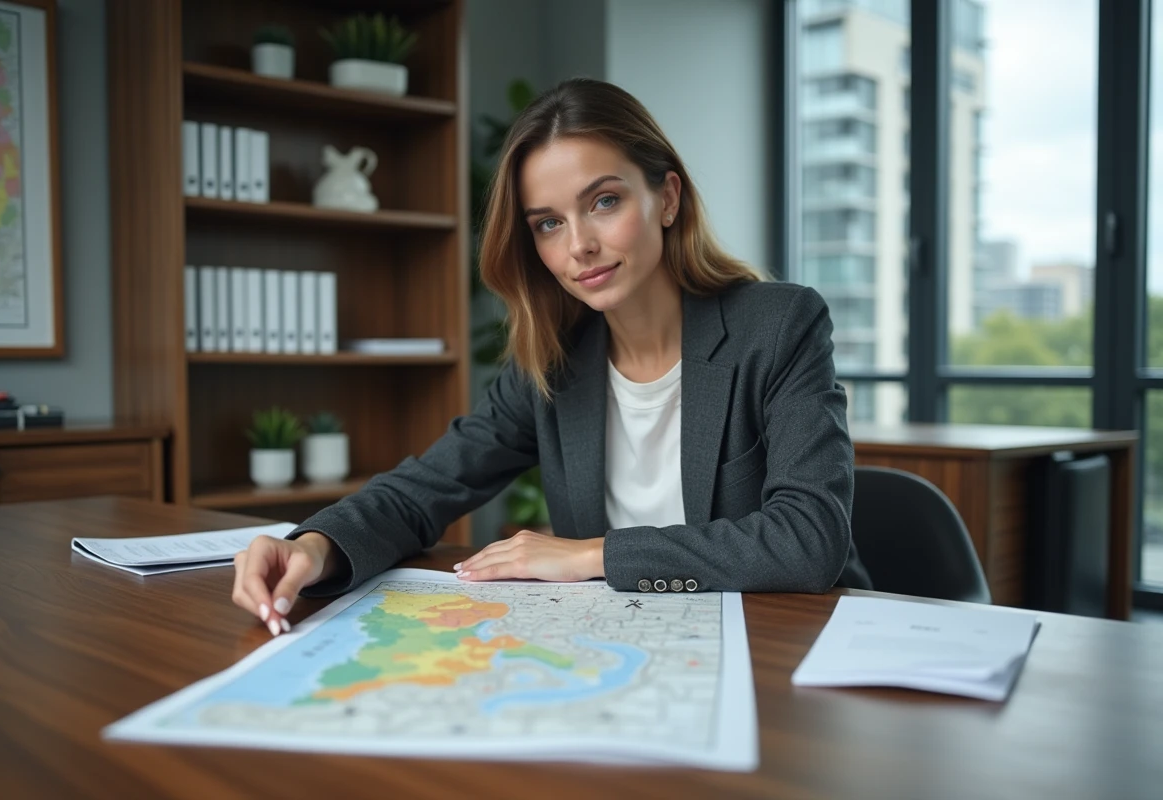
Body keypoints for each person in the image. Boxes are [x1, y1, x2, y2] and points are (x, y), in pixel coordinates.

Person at [232, 78, 871, 636]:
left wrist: (590, 555)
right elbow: (423, 491)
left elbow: (807, 540)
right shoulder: (555, 360)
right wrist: (315, 548)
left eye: (604, 202)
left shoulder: (778, 325)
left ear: (668, 198)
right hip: (639, 648)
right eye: (548, 223)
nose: (580, 246)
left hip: (792, 643)